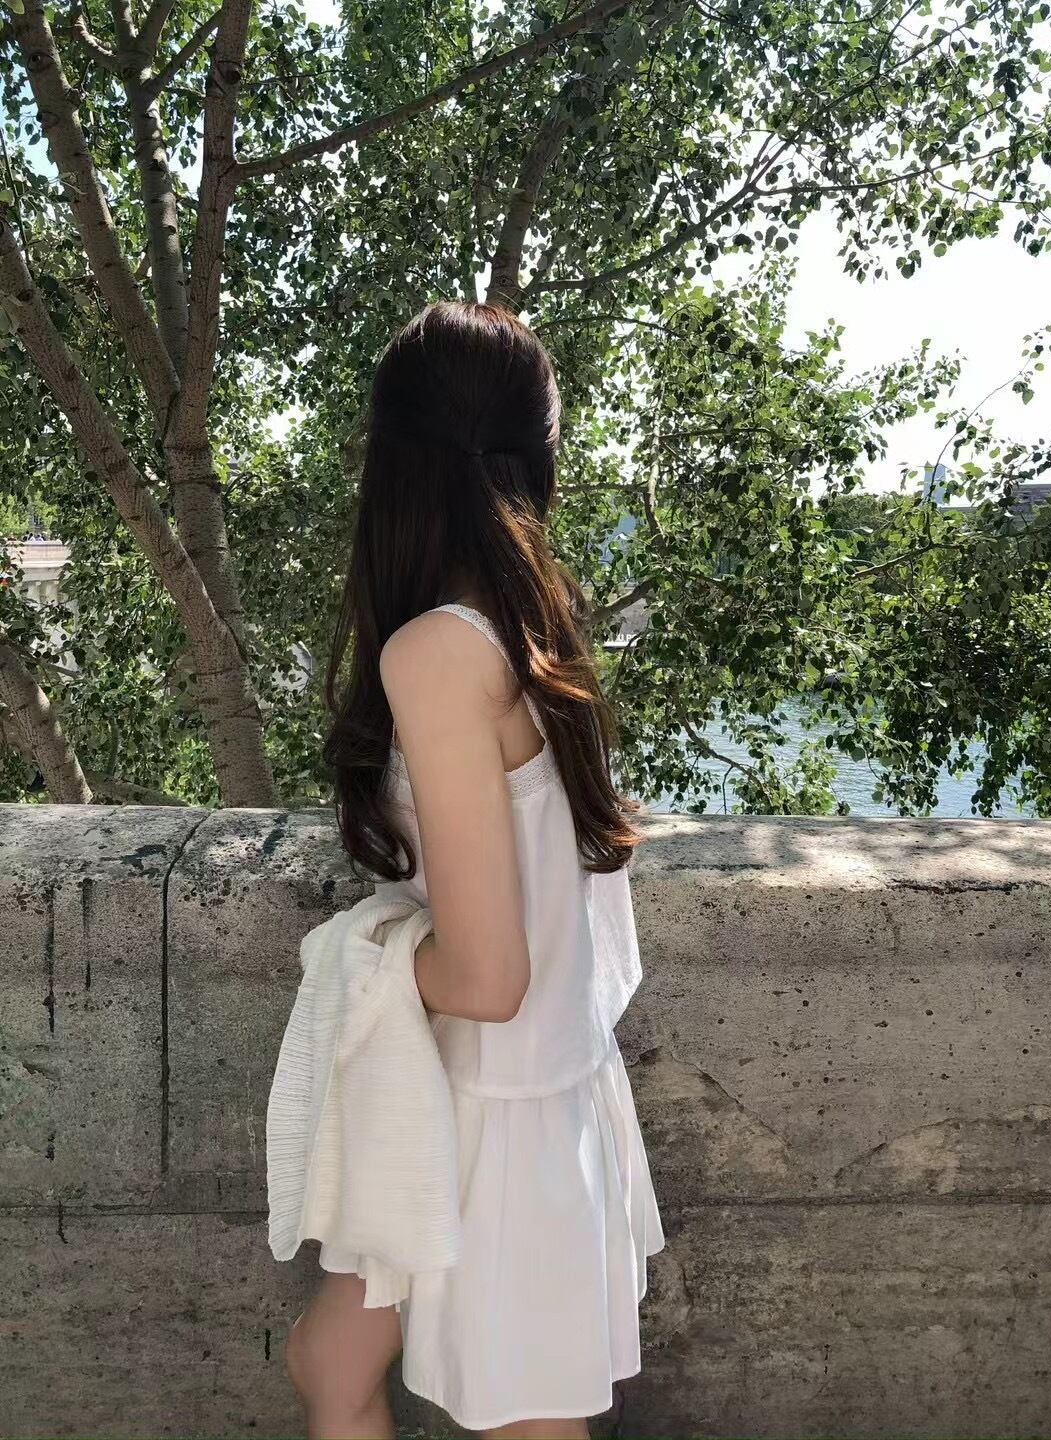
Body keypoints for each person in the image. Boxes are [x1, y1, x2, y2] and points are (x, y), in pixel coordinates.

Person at [284, 300, 665, 1439]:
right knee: (329, 1366)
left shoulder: (442, 650)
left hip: (491, 1108)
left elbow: (487, 975)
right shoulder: (528, 617)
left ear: (391, 461)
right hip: (491, 1097)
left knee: (515, 1423)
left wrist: (359, 956)